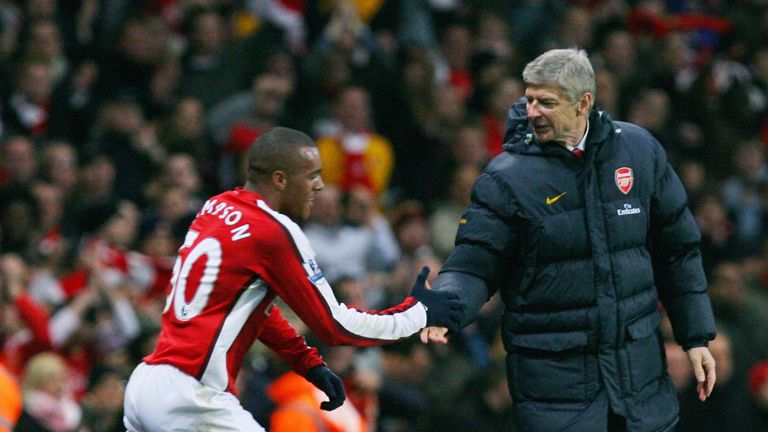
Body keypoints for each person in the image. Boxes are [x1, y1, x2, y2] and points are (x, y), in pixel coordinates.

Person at [421, 48, 717, 432]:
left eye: (546, 102)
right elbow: (474, 264)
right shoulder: (506, 179)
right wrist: (446, 306)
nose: (532, 112)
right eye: (529, 100)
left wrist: (695, 337)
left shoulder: (640, 151)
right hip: (554, 387)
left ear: (584, 103)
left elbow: (677, 251)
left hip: (639, 380)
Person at [122, 127, 463, 431]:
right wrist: (418, 314)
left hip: (146, 385)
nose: (319, 185)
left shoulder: (216, 206)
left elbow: (252, 309)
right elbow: (335, 325)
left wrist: (309, 364)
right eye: (311, 175)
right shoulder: (274, 231)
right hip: (191, 398)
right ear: (281, 180)